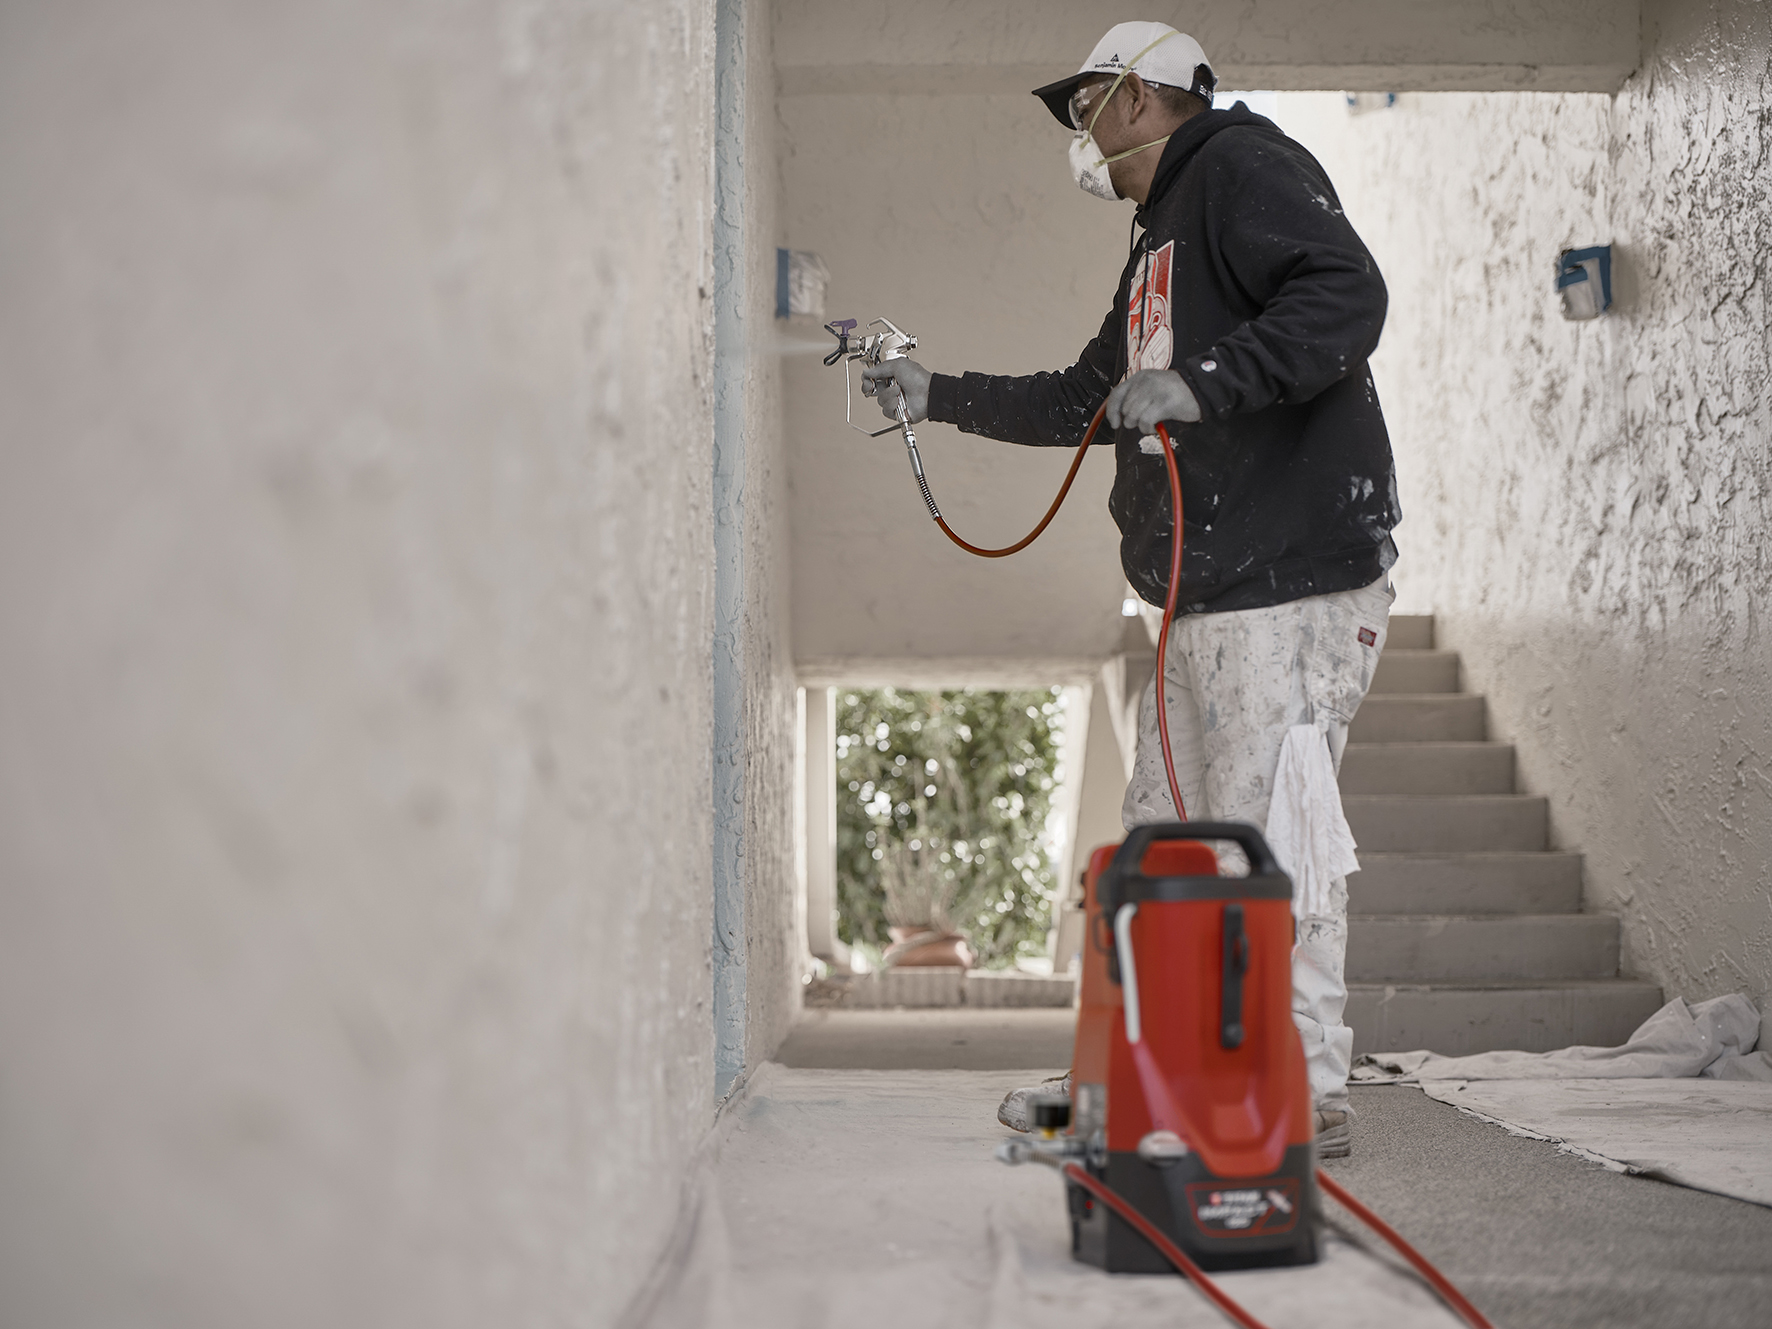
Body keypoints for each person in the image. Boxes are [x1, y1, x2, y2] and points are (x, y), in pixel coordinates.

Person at [862, 21, 1400, 1159]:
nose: (1079, 132)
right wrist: (936, 393)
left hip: (1289, 578)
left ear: (1139, 95)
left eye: (1085, 106)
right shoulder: (1157, 237)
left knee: (1274, 832)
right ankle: (1136, 1074)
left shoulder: (1243, 166)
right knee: (1164, 839)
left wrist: (1203, 383)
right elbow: (1085, 397)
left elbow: (1345, 294)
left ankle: (1302, 1087)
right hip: (1200, 594)